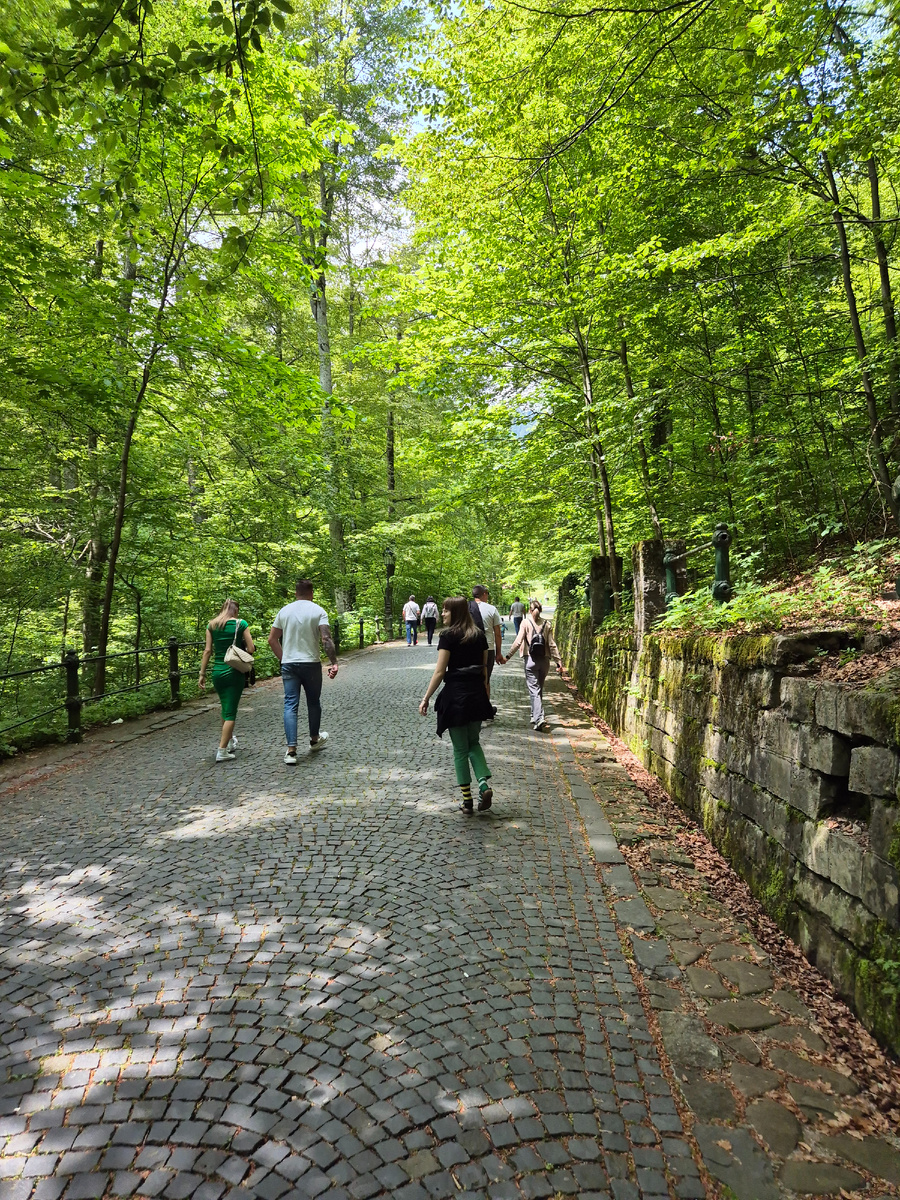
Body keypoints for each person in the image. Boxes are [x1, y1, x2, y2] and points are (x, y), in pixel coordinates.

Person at [418, 597, 496, 814]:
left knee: (460, 749)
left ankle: (467, 800)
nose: (442, 614)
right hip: (477, 695)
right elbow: (484, 672)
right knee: (474, 743)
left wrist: (426, 698)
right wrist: (485, 699)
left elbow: (440, 671)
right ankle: (483, 785)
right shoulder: (479, 636)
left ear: (456, 613)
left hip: (456, 697)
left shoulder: (448, 636)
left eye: (445, 611)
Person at [268, 579, 338, 764]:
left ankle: (291, 751)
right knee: (313, 702)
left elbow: (272, 640)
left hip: (290, 664)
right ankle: (314, 739)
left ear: (295, 593)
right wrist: (334, 662)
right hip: (311, 663)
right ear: (312, 593)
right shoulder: (318, 611)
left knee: (290, 704)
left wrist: (284, 659)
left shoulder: (284, 611)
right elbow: (326, 638)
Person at [198, 598, 256, 763]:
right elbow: (251, 648)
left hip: (217, 671)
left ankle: (229, 742)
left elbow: (207, 650)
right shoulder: (241, 624)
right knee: (231, 712)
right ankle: (222, 750)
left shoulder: (212, 625)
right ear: (235, 610)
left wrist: (202, 674)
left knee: (225, 707)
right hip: (233, 671)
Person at [508, 599, 563, 731]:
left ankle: (539, 719)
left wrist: (507, 656)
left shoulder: (525, 622)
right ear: (541, 610)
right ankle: (534, 715)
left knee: (534, 690)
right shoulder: (547, 624)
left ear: (529, 610)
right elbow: (552, 644)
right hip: (544, 661)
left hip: (530, 660)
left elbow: (518, 641)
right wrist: (558, 662)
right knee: (538, 690)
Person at [472, 584, 505, 698]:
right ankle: (484, 707)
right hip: (488, 648)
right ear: (484, 594)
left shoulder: (467, 608)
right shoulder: (491, 609)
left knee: (471, 678)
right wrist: (499, 653)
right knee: (486, 679)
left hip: (469, 648)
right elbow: (498, 633)